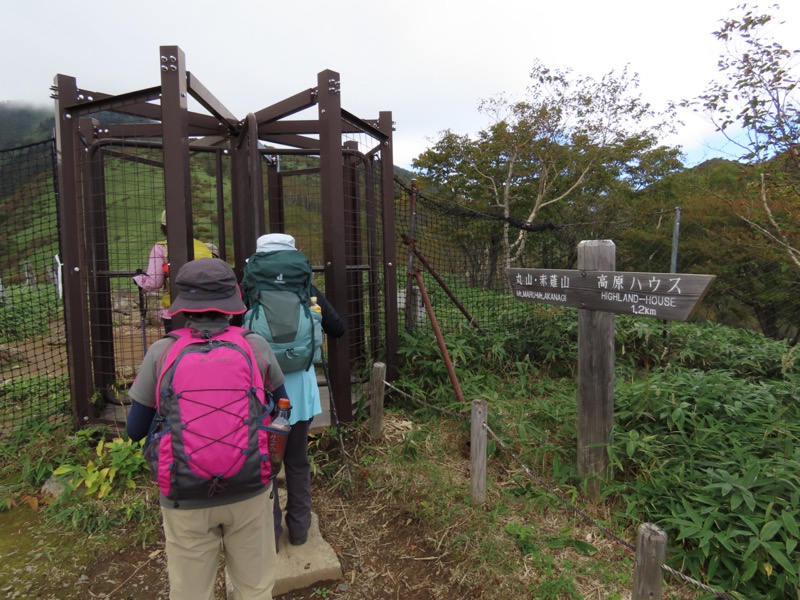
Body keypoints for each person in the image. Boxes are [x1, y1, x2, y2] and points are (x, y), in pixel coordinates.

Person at [126, 258, 287, 600]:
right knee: (255, 587)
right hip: (249, 487)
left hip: (184, 494)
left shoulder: (162, 352)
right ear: (231, 302)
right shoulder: (254, 345)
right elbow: (285, 407)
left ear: (183, 305)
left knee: (190, 591)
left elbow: (135, 430)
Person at [245, 233, 344, 551]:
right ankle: (300, 530)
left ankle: (271, 536)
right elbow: (337, 327)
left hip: (261, 393)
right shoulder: (305, 288)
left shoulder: (249, 288)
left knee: (265, 465)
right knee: (297, 462)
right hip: (299, 393)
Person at [133, 210, 217, 333]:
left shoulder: (160, 248)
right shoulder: (203, 246)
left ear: (163, 227)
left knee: (178, 347)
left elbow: (154, 282)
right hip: (207, 307)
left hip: (175, 310)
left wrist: (139, 279)